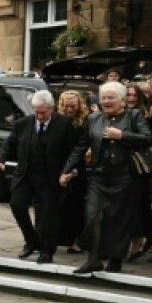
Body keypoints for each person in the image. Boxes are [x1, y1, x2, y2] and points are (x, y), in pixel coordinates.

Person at [61, 80, 152, 274]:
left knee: (119, 220)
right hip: (98, 176)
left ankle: (115, 259)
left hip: (126, 177)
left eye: (111, 98)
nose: (106, 101)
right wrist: (67, 169)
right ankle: (93, 259)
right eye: (103, 98)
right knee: (92, 216)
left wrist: (121, 135)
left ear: (121, 100)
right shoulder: (94, 118)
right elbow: (80, 146)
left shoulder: (134, 115)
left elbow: (147, 139)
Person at [0, 90, 81, 264]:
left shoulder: (64, 125)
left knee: (48, 215)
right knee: (17, 205)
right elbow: (8, 145)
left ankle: (47, 250)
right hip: (26, 176)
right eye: (36, 112)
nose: (39, 116)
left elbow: (74, 151)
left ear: (51, 109)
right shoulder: (23, 124)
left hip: (50, 178)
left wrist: (70, 172)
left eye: (43, 113)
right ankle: (31, 241)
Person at [56, 90, 90, 255]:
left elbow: (81, 149)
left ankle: (76, 241)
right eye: (67, 106)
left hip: (78, 167)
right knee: (60, 206)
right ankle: (61, 238)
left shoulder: (84, 121)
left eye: (73, 106)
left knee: (77, 207)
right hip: (58, 167)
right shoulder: (58, 120)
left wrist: (72, 171)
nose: (70, 110)